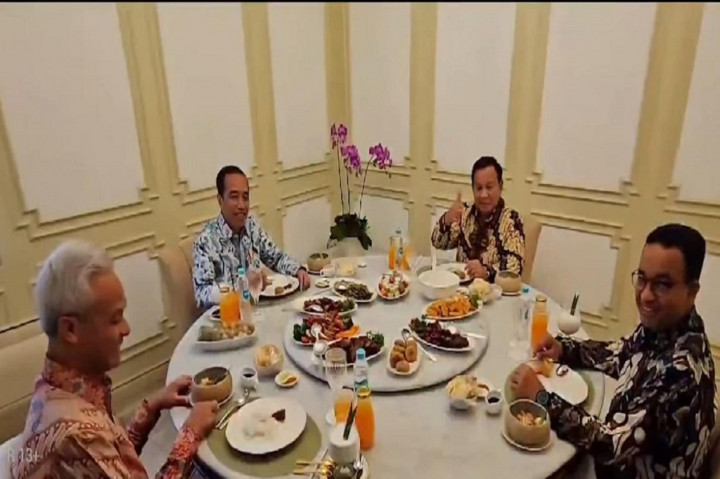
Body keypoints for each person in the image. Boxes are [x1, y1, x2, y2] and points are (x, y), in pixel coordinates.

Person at [509, 224, 716, 478]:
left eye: (662, 285)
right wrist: (564, 348)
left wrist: (541, 397)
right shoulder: (667, 328)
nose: (646, 296)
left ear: (692, 292)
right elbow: (620, 354)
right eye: (642, 279)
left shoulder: (680, 370)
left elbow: (610, 446)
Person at [11, 240, 218, 479]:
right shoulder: (77, 436)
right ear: (70, 329)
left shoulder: (54, 389)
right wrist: (190, 433)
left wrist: (152, 407)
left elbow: (112, 459)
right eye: (115, 319)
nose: (126, 329)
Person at [193, 165, 310, 310]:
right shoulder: (206, 241)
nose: (242, 205)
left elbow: (276, 258)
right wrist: (241, 287)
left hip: (257, 309)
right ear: (220, 200)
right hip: (228, 317)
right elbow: (202, 294)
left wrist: (298, 270)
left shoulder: (252, 227)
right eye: (234, 197)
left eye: (245, 197)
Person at [430, 156, 525, 282]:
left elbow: (515, 268)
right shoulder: (465, 212)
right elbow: (438, 242)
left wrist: (486, 272)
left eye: (489, 187)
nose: (483, 195)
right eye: (479, 188)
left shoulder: (511, 221)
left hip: (493, 291)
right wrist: (446, 219)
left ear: (500, 186)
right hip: (460, 289)